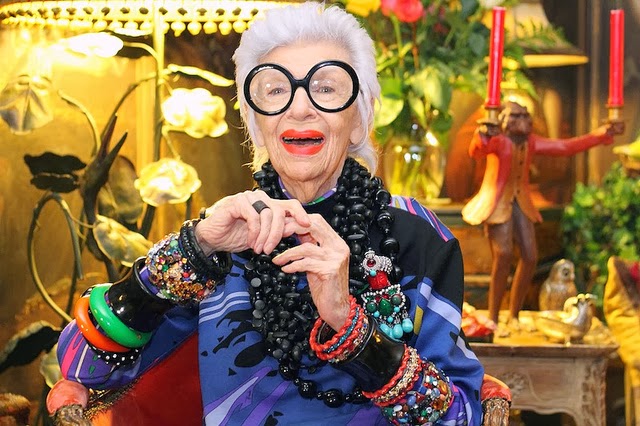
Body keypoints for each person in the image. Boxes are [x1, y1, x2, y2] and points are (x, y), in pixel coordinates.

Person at [54, 2, 485, 424]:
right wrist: (192, 249)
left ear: (360, 117)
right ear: (255, 122)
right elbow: (84, 367)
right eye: (276, 90)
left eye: (326, 88)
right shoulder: (221, 238)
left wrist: (348, 323)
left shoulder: (414, 234)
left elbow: (461, 416)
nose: (299, 108)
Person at [462, 101, 624, 331]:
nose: (523, 121)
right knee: (503, 255)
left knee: (530, 256)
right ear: (505, 120)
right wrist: (482, 135)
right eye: (516, 116)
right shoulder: (498, 140)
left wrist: (601, 134)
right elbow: (476, 151)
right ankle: (494, 318)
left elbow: (565, 147)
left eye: (525, 116)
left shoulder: (531, 142)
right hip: (497, 204)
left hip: (521, 203)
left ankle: (514, 315)